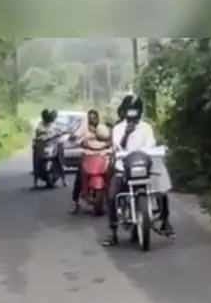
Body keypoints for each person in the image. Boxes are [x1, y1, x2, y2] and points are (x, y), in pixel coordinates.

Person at [101, 95, 175, 246]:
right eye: (129, 112)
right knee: (112, 197)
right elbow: (118, 146)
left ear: (140, 112)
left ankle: (165, 221)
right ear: (124, 112)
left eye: (135, 112)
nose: (132, 116)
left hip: (144, 167)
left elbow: (150, 144)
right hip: (123, 169)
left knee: (161, 191)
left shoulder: (146, 127)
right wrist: (127, 134)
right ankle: (113, 232)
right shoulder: (118, 128)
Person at [70, 109, 112, 213]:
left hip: (102, 155)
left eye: (94, 118)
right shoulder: (83, 129)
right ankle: (75, 201)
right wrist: (73, 137)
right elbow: (75, 137)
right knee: (79, 176)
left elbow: (108, 137)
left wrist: (97, 132)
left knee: (112, 173)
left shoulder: (103, 128)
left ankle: (114, 200)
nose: (93, 120)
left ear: (98, 118)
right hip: (88, 155)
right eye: (90, 118)